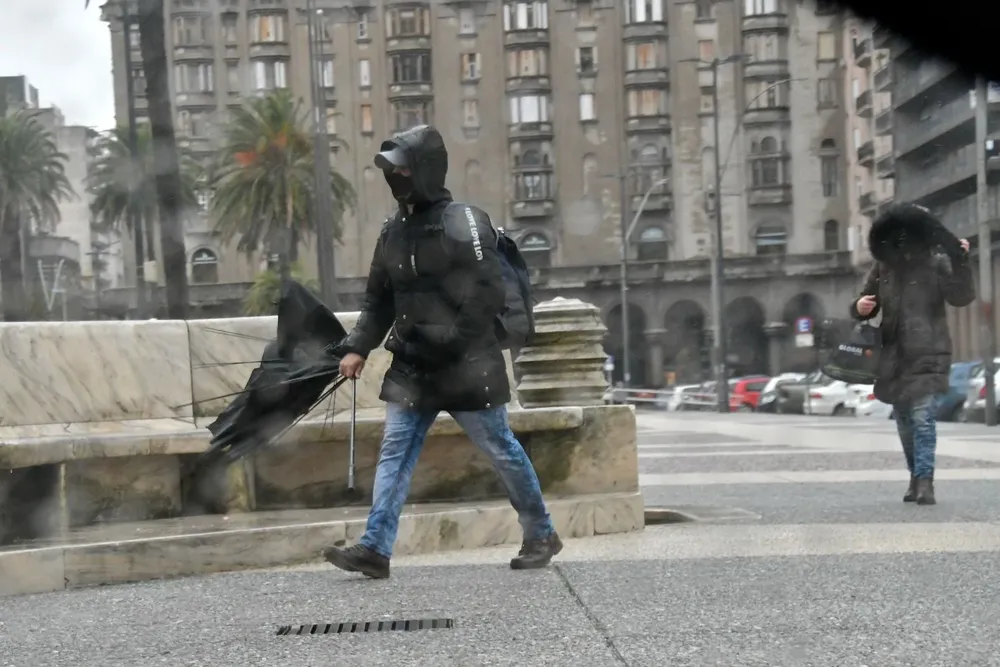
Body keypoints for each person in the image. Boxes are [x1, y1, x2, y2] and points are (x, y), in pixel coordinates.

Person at [321, 125, 561, 579]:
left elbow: (488, 291)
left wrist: (452, 340)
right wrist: (356, 348)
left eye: (405, 168)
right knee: (395, 450)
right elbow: (378, 301)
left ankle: (541, 532)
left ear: (427, 170)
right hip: (414, 365)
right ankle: (375, 548)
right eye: (393, 170)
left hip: (468, 365)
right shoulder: (393, 231)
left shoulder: (464, 222)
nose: (397, 177)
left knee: (501, 449)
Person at [851, 203, 975, 505]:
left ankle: (925, 482)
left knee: (923, 416)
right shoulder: (883, 266)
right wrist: (860, 307)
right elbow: (864, 301)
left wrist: (960, 261)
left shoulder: (936, 260)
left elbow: (961, 296)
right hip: (893, 354)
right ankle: (914, 474)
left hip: (929, 350)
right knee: (905, 421)